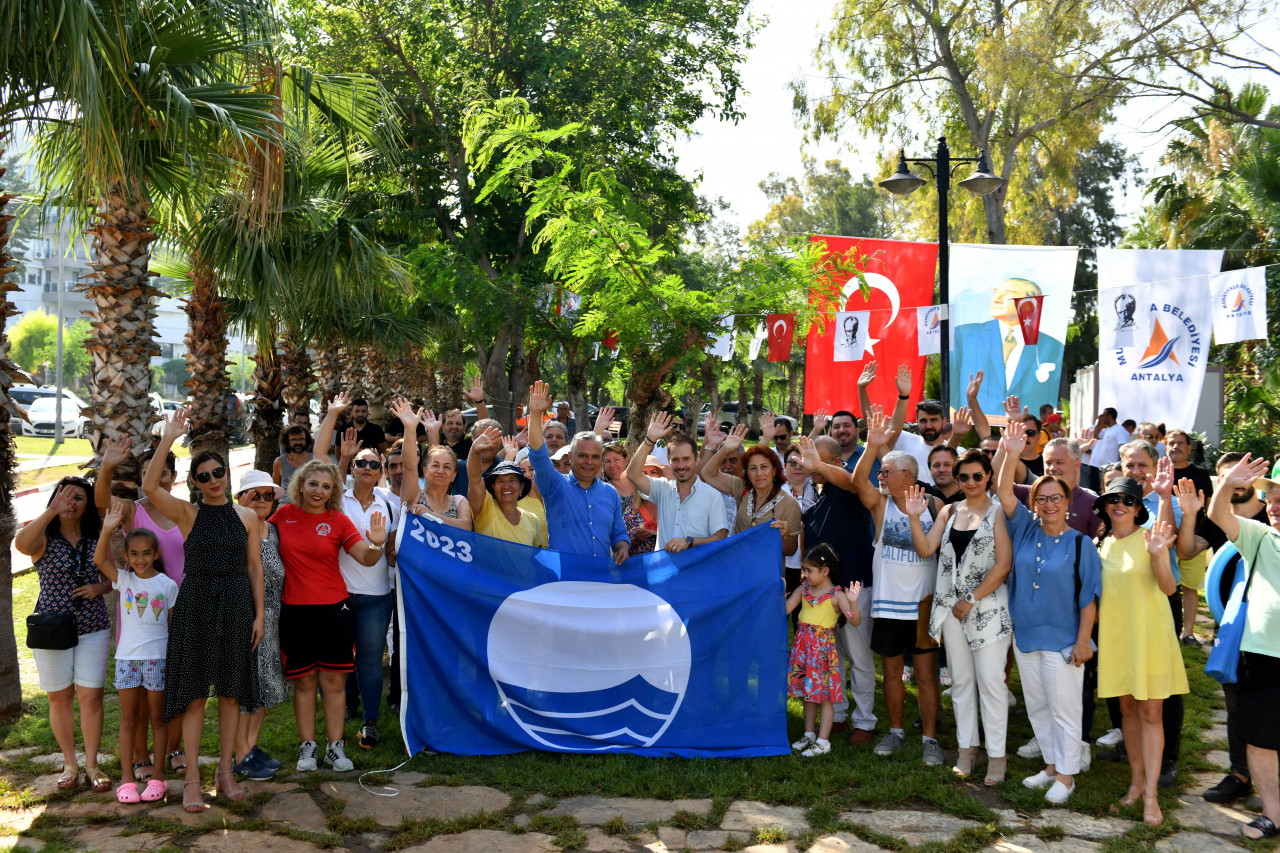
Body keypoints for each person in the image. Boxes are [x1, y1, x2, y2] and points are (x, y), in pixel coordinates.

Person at [143, 409, 264, 812]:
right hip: (195, 603)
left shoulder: (248, 516)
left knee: (231, 694)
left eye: (218, 473)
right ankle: (192, 779)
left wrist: (260, 614)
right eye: (204, 476)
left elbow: (253, 567)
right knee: (195, 696)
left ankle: (225, 773)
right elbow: (148, 485)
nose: (213, 480)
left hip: (235, 604)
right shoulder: (187, 514)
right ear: (195, 483)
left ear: (227, 474)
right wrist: (168, 439)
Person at [996, 425, 1101, 804]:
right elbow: (1004, 491)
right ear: (1035, 502)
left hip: (1064, 640)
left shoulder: (1081, 543)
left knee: (1065, 709)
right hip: (1025, 636)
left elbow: (1089, 597)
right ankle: (1052, 766)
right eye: (1042, 498)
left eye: (1056, 498)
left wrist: (1082, 641)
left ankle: (1068, 776)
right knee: (1038, 706)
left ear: (1067, 502)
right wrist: (1011, 451)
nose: (1049, 504)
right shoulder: (1024, 529)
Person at [271, 459, 388, 775]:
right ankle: (307, 746)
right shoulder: (283, 516)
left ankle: (335, 748)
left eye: (326, 486)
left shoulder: (338, 520)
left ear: (334, 490)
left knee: (334, 683)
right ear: (301, 485)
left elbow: (365, 556)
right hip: (295, 612)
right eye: (313, 484)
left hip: (335, 610)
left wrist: (377, 541)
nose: (318, 491)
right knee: (305, 682)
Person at [905, 449, 1013, 783]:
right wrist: (913, 516)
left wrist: (972, 598)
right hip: (951, 609)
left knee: (992, 684)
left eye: (977, 476)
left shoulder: (998, 512)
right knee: (962, 683)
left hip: (989, 609)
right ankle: (968, 750)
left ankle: (997, 756)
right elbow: (926, 549)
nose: (970, 482)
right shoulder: (949, 511)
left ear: (988, 477)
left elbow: (1004, 564)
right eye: (963, 477)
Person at [1093, 475, 1187, 827]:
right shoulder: (1098, 543)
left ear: (1138, 508)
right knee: (1127, 709)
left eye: (1129, 500)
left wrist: (1159, 554)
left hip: (1150, 635)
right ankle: (1134, 784)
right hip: (1116, 637)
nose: (1120, 504)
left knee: (1151, 713)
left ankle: (1151, 795)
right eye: (1113, 499)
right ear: (1104, 505)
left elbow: (1167, 587)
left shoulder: (1151, 537)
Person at [852, 407, 944, 764]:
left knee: (925, 674)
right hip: (888, 604)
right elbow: (860, 482)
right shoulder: (882, 504)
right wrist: (872, 448)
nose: (881, 475)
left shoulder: (935, 505)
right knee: (890, 672)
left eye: (887, 472)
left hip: (923, 606)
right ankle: (895, 732)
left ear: (908, 475)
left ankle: (930, 739)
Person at [326, 398, 419, 748]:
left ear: (381, 472)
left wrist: (410, 428)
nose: (367, 467)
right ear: (352, 470)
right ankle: (342, 710)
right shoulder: (337, 499)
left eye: (373, 464)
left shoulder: (391, 502)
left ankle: (370, 721)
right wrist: (344, 455)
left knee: (367, 661)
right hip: (336, 593)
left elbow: (410, 472)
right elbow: (322, 469)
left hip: (377, 595)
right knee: (338, 661)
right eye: (360, 463)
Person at [94, 437, 186, 777]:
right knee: (138, 704)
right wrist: (106, 468)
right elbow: (104, 503)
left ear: (173, 476)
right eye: (147, 473)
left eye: (161, 473)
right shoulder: (135, 510)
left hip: (178, 611)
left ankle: (174, 750)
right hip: (140, 616)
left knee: (175, 692)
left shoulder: (185, 509)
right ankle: (141, 757)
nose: (155, 479)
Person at [16, 478, 111, 794]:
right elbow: (20, 545)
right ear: (55, 498)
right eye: (64, 496)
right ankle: (70, 764)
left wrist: (101, 587)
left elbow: (112, 576)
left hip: (92, 625)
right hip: (52, 628)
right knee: (59, 696)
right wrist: (50, 512)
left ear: (86, 505)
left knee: (91, 696)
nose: (71, 503)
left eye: (78, 498)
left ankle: (93, 765)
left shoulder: (96, 536)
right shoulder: (43, 538)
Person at [1206, 455, 1280, 840]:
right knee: (1260, 739)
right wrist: (1228, 482)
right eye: (1272, 498)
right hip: (1261, 659)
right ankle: (1272, 814)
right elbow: (1218, 514)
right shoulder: (1261, 536)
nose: (1275, 505)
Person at [94, 507, 175, 804]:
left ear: (155, 554)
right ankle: (127, 779)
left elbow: (174, 624)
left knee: (157, 718)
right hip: (127, 660)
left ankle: (158, 777)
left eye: (146, 553)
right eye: (134, 554)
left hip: (158, 659)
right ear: (127, 556)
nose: (140, 560)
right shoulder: (124, 580)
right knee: (129, 719)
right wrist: (107, 528)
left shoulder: (167, 585)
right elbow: (99, 560)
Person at [526, 380, 629, 562]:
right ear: (570, 457)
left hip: (601, 580)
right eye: (582, 456)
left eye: (595, 457)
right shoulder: (555, 485)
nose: (589, 462)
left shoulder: (610, 492)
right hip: (565, 581)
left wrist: (622, 547)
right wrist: (535, 414)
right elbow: (538, 457)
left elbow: (619, 533)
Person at [231, 470, 288, 781]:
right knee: (245, 690)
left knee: (264, 687)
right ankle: (239, 753)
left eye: (268, 495)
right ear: (240, 498)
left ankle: (250, 748)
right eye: (255, 494)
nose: (263, 501)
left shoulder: (273, 530)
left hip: (271, 618)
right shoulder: (236, 528)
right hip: (245, 619)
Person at [787, 544, 863, 757]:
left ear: (825, 571)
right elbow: (785, 608)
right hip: (803, 648)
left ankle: (823, 741)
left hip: (821, 651)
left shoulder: (837, 595)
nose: (804, 574)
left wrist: (853, 603)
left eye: (809, 571)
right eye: (804, 570)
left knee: (824, 696)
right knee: (808, 694)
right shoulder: (803, 589)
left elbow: (855, 620)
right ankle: (809, 734)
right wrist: (775, 594)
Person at [951, 277, 1064, 413]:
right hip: (972, 425)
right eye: (996, 293)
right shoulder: (964, 334)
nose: (996, 299)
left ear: (1029, 304)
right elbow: (951, 378)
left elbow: (1049, 392)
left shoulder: (1051, 346)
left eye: (1008, 295)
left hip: (1024, 427)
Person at [626, 413, 729, 553]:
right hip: (664, 571)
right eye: (675, 460)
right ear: (668, 462)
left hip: (696, 571)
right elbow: (632, 474)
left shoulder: (712, 495)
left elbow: (720, 537)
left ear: (696, 460)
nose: (681, 465)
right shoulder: (662, 488)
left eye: (686, 459)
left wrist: (690, 541)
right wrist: (649, 440)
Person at [698, 424, 801, 557]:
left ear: (774, 470)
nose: (759, 473)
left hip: (764, 573)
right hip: (736, 567)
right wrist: (724, 450)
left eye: (764, 467)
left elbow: (791, 551)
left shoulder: (790, 504)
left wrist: (785, 536)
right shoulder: (742, 488)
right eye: (753, 468)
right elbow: (707, 473)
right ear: (747, 472)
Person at [1166, 428, 1214, 644]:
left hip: (1193, 539)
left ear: (1188, 447)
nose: (1175, 446)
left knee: (1190, 586)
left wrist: (1202, 537)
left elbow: (1210, 509)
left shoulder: (1201, 474)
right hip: (1165, 538)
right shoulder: (1161, 473)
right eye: (1171, 443)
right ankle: (1166, 627)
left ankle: (1188, 633)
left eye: (1179, 443)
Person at [467, 428, 547, 546]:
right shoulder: (485, 508)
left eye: (512, 480)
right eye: (500, 481)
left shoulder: (532, 519)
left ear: (522, 487)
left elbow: (538, 556)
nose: (506, 486)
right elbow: (475, 480)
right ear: (493, 487)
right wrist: (474, 451)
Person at [886, 366, 944, 486]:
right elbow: (894, 429)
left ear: (943, 422)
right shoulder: (904, 441)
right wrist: (903, 396)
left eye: (933, 420)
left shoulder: (958, 451)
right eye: (923, 421)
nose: (928, 425)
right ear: (917, 421)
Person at [603, 442, 657, 556]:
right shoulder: (604, 487)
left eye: (616, 459)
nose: (612, 465)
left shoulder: (640, 482)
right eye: (607, 461)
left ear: (626, 460)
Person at [274, 424, 312, 493]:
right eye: (294, 439)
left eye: (301, 439)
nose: (298, 442)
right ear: (287, 442)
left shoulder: (315, 460)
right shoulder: (279, 462)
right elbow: (275, 489)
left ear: (306, 441)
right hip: (285, 503)